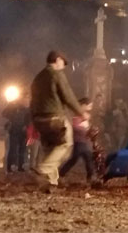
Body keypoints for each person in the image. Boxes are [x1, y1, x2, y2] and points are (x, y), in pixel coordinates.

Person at [30, 51, 85, 192]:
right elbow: (67, 96)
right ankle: (44, 169)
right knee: (66, 144)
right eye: (63, 63)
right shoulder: (56, 74)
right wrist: (81, 112)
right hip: (54, 117)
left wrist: (34, 119)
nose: (63, 67)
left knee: (50, 148)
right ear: (58, 60)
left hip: (38, 118)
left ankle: (51, 183)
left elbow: (32, 100)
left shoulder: (38, 77)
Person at [59, 98, 96, 183]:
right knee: (77, 159)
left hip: (84, 141)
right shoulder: (76, 116)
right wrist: (85, 128)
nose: (91, 108)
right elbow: (75, 127)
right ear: (83, 105)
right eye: (89, 105)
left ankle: (90, 176)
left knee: (87, 158)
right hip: (79, 141)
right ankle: (61, 174)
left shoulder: (86, 116)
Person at [2, 95, 30, 173]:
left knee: (23, 150)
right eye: (25, 99)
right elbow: (4, 114)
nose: (26, 102)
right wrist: (11, 105)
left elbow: (31, 120)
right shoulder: (14, 108)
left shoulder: (28, 110)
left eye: (27, 100)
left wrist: (27, 126)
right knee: (13, 149)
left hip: (23, 133)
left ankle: (21, 166)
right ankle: (10, 166)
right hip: (14, 131)